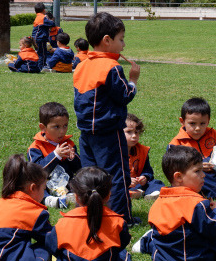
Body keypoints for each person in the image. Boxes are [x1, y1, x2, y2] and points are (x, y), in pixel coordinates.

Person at [73, 12, 140, 223]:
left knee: (89, 176)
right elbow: (124, 96)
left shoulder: (81, 65)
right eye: (121, 39)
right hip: (109, 133)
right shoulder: (112, 67)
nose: (124, 45)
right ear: (107, 40)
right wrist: (133, 80)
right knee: (116, 176)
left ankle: (87, 215)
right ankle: (122, 218)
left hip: (86, 133)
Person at [133, 146, 216, 261]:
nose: (203, 175)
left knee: (164, 237)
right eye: (197, 171)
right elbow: (214, 229)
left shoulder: (158, 202)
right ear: (179, 177)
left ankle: (147, 242)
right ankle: (147, 242)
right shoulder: (196, 204)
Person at [46, 166, 138, 261]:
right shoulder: (118, 222)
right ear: (108, 195)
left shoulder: (63, 224)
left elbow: (52, 246)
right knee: (123, 255)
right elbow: (122, 244)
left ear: (77, 197)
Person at [168, 97, 216, 198]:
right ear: (182, 121)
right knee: (199, 177)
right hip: (199, 176)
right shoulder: (176, 144)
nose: (197, 128)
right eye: (192, 124)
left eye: (202, 123)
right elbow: (175, 171)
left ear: (208, 121)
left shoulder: (214, 135)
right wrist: (198, 167)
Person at [27, 102, 81, 207]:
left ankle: (69, 196)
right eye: (56, 127)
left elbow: (78, 169)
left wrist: (72, 157)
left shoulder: (68, 143)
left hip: (65, 182)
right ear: (43, 127)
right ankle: (49, 200)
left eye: (65, 126)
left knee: (78, 181)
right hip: (45, 184)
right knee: (34, 186)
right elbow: (37, 173)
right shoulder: (36, 147)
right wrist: (56, 155)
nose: (62, 131)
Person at [125, 113, 164, 199]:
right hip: (121, 183)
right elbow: (110, 174)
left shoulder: (141, 151)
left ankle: (150, 193)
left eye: (136, 132)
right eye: (129, 132)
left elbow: (147, 169)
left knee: (156, 183)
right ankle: (132, 193)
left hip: (137, 183)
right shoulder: (113, 152)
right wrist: (126, 180)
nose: (134, 136)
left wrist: (145, 177)